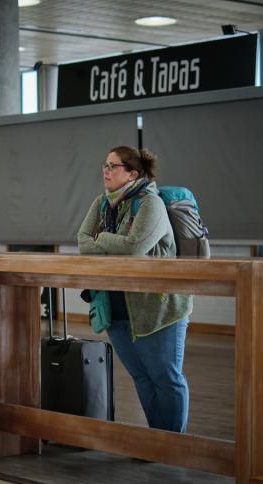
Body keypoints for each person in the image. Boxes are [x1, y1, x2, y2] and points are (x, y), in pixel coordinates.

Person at [77, 146, 193, 433]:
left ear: (132, 174)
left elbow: (136, 247)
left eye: (113, 166)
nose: (106, 170)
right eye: (105, 164)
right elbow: (82, 241)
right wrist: (110, 243)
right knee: (142, 377)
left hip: (158, 308)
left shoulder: (149, 203)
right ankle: (157, 440)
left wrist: (101, 239)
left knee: (165, 377)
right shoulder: (102, 203)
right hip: (116, 306)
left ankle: (173, 445)